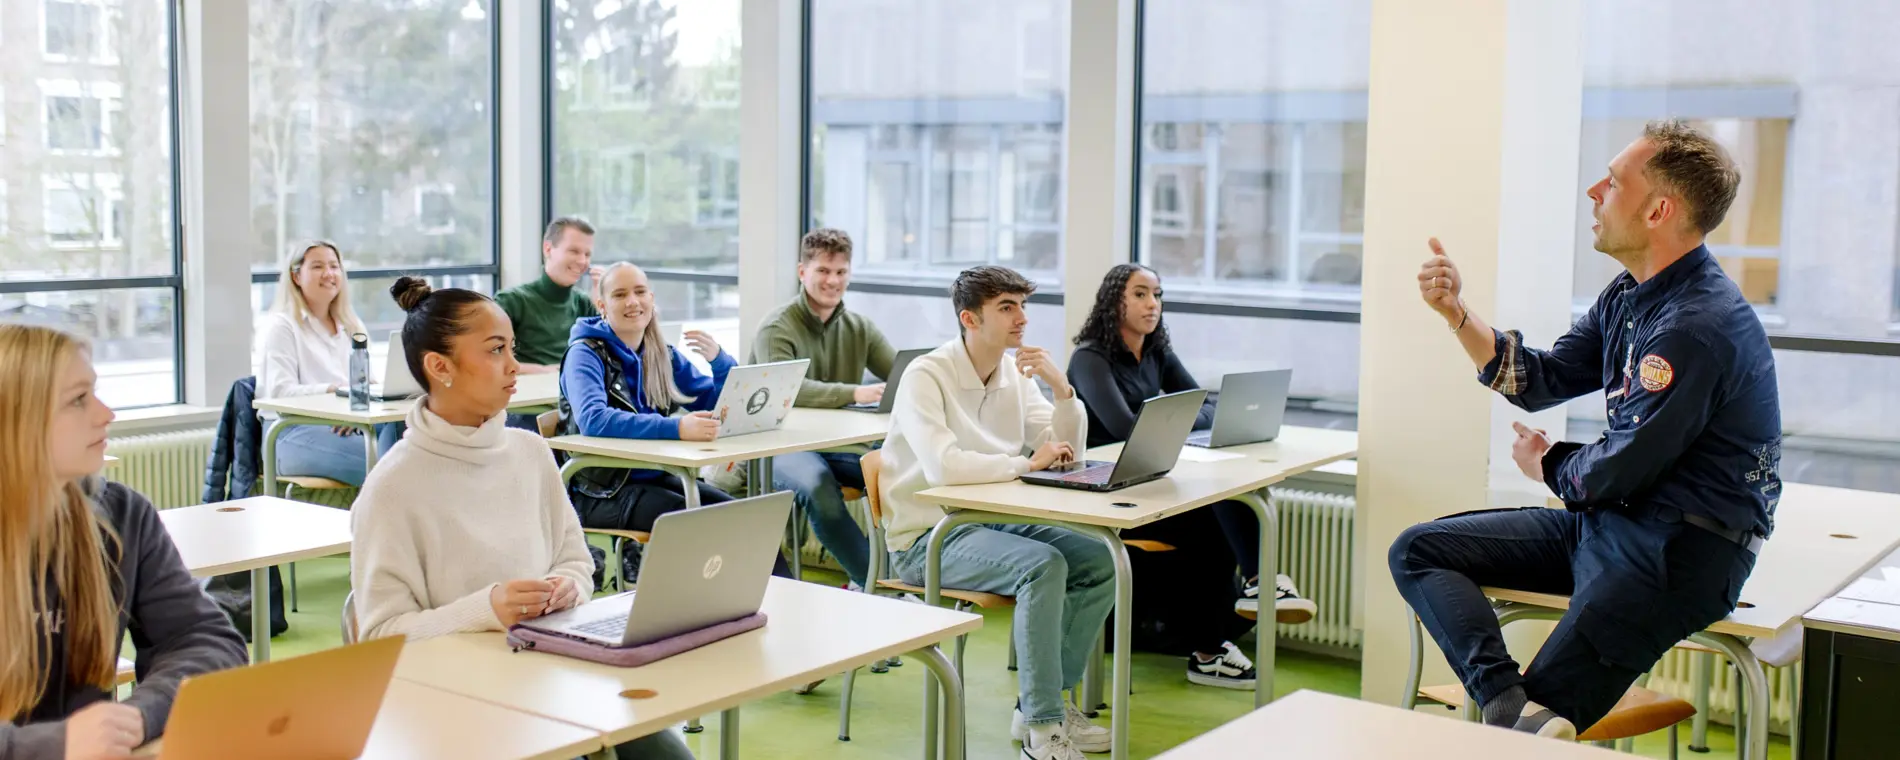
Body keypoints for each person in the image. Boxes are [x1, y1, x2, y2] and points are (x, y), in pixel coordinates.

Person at [1388, 120, 1779, 740]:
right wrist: (1457, 313)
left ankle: (1516, 717)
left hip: (1676, 553)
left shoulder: (1695, 327)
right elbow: (1541, 378)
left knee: (1532, 738)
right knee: (1418, 550)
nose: (1594, 192)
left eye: (1614, 182)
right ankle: (1504, 699)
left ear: (1658, 211)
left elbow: (1618, 468)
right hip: (1611, 522)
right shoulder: (1629, 296)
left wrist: (1547, 463)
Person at [350, 277, 695, 760]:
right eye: (496, 350)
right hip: (458, 704)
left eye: (512, 348)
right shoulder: (392, 488)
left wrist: (568, 586)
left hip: (553, 673)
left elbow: (577, 562)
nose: (514, 365)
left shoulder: (530, 452)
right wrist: (487, 610)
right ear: (439, 367)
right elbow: (379, 636)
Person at [880, 265, 1114, 759]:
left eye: (1022, 306)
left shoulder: (1013, 374)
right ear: (969, 318)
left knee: (1099, 560)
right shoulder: (925, 375)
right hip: (927, 538)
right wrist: (1026, 463)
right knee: (1043, 566)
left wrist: (1063, 390)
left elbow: (1065, 452)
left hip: (986, 522)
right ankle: (1043, 730)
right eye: (1007, 307)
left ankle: (1040, 705)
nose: (1021, 318)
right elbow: (943, 466)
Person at [0, 324, 248, 758]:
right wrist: (55, 745)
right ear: (16, 420)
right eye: (78, 400)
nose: (105, 414)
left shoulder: (122, 515)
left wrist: (137, 716)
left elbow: (206, 640)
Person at [1066, 263, 1317, 691]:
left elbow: (1208, 407)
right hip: (1108, 494)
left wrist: (1172, 419)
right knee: (1216, 514)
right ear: (1114, 302)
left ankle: (1225, 629)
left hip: (1151, 483)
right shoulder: (1090, 358)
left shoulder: (1157, 353)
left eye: (1157, 295)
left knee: (1220, 517)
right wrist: (1180, 417)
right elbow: (1126, 428)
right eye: (1140, 294)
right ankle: (1241, 607)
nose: (1152, 304)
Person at [558, 263, 791, 579]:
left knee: (752, 520)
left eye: (640, 292)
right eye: (620, 295)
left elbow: (716, 406)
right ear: (602, 305)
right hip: (602, 492)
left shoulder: (659, 352)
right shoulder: (585, 353)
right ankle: (715, 601)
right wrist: (677, 428)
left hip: (655, 476)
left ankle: (781, 598)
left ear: (651, 299)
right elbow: (593, 420)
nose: (632, 302)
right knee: (701, 525)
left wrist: (719, 362)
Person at [748, 228, 896, 590]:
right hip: (779, 446)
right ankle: (877, 586)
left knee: (897, 473)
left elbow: (899, 372)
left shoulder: (859, 327)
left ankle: (893, 578)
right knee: (819, 489)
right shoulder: (776, 328)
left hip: (838, 444)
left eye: (841, 272)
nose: (833, 281)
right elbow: (786, 389)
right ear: (802, 272)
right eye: (823, 271)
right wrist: (855, 392)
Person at [257, 239, 402, 486]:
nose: (329, 273)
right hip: (291, 432)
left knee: (411, 443)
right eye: (317, 266)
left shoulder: (351, 325)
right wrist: (336, 392)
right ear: (296, 276)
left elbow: (365, 384)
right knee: (392, 468)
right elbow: (280, 392)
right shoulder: (282, 326)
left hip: (350, 425)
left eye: (334, 266)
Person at [496, 216, 603, 374]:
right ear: (548, 249)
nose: (582, 261)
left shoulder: (584, 303)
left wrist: (602, 302)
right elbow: (488, 357)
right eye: (574, 251)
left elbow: (606, 355)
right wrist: (542, 371)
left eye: (587, 254)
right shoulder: (511, 301)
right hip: (528, 387)